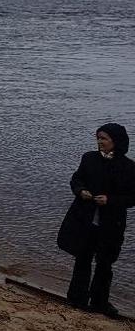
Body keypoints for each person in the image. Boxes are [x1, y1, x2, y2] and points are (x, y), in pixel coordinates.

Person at [58, 123, 135, 318]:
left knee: (105, 263)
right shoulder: (89, 158)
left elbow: (132, 197)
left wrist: (110, 200)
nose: (100, 142)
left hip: (111, 224)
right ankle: (76, 299)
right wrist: (80, 191)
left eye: (104, 138)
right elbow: (76, 179)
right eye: (98, 138)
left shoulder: (128, 167)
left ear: (115, 142)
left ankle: (100, 302)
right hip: (86, 220)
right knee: (82, 259)